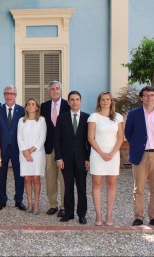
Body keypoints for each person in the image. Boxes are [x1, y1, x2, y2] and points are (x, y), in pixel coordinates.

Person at [125, 86, 154, 226]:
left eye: (151, 95)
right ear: (141, 97)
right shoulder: (134, 114)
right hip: (140, 155)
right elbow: (128, 133)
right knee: (138, 188)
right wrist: (137, 146)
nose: (149, 98)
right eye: (146, 95)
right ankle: (138, 217)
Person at [88, 91, 124, 226]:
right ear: (99, 102)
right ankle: (98, 214)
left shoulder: (118, 117)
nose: (105, 102)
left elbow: (120, 137)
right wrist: (102, 153)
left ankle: (109, 214)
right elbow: (90, 137)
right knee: (96, 184)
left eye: (107, 99)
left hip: (113, 155)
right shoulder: (94, 117)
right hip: (98, 154)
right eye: (103, 99)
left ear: (111, 101)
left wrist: (113, 153)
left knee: (111, 184)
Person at [54, 91, 90, 224]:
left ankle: (82, 214)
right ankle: (68, 213)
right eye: (72, 100)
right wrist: (58, 158)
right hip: (66, 160)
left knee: (81, 188)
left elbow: (89, 141)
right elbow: (56, 139)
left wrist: (88, 158)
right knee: (68, 187)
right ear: (68, 102)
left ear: (80, 101)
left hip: (81, 160)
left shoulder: (87, 118)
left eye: (77, 99)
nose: (74, 102)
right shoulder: (62, 118)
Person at [0, 85, 26, 211]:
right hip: (1, 148)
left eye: (12, 93)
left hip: (18, 148)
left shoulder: (22, 110)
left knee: (19, 174)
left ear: (15, 95)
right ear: (4, 95)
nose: (9, 96)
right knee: (1, 175)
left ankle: (19, 200)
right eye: (7, 93)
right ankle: (2, 199)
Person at [40, 80, 70, 217]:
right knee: (50, 178)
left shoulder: (67, 105)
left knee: (64, 178)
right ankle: (53, 204)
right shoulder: (44, 106)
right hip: (49, 148)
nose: (55, 91)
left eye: (57, 88)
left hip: (64, 148)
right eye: (52, 89)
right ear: (49, 91)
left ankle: (64, 206)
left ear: (61, 90)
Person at [17, 98, 46, 215]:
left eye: (33, 104)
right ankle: (29, 203)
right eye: (28, 104)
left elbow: (42, 137)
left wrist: (31, 150)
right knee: (27, 178)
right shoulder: (21, 121)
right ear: (26, 107)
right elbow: (19, 137)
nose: (30, 106)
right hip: (24, 154)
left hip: (37, 153)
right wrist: (25, 152)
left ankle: (37, 204)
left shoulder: (41, 120)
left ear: (37, 107)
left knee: (36, 178)